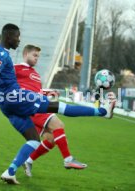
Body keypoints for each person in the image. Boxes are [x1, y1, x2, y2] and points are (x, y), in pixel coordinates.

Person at [0, 23, 116, 185]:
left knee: (34, 140)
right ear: (8, 37)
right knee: (60, 108)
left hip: (6, 106)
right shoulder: (3, 56)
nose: (19, 40)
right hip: (19, 98)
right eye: (17, 37)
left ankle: (10, 171)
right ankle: (102, 112)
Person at [14, 44, 87, 178]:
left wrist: (48, 92)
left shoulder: (34, 74)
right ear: (25, 54)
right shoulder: (16, 68)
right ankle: (68, 159)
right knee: (58, 125)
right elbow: (3, 80)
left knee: (51, 138)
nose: (37, 58)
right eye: (34, 55)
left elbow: (37, 91)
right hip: (33, 107)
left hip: (35, 106)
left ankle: (28, 161)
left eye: (38, 56)